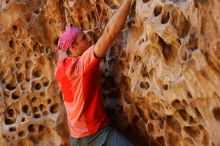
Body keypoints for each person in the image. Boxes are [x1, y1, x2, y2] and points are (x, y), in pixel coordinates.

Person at [55, 0, 134, 146]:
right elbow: (110, 33)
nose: (90, 38)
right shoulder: (82, 66)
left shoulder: (61, 66)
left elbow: (61, 49)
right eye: (83, 38)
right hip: (96, 135)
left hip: (76, 138)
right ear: (72, 47)